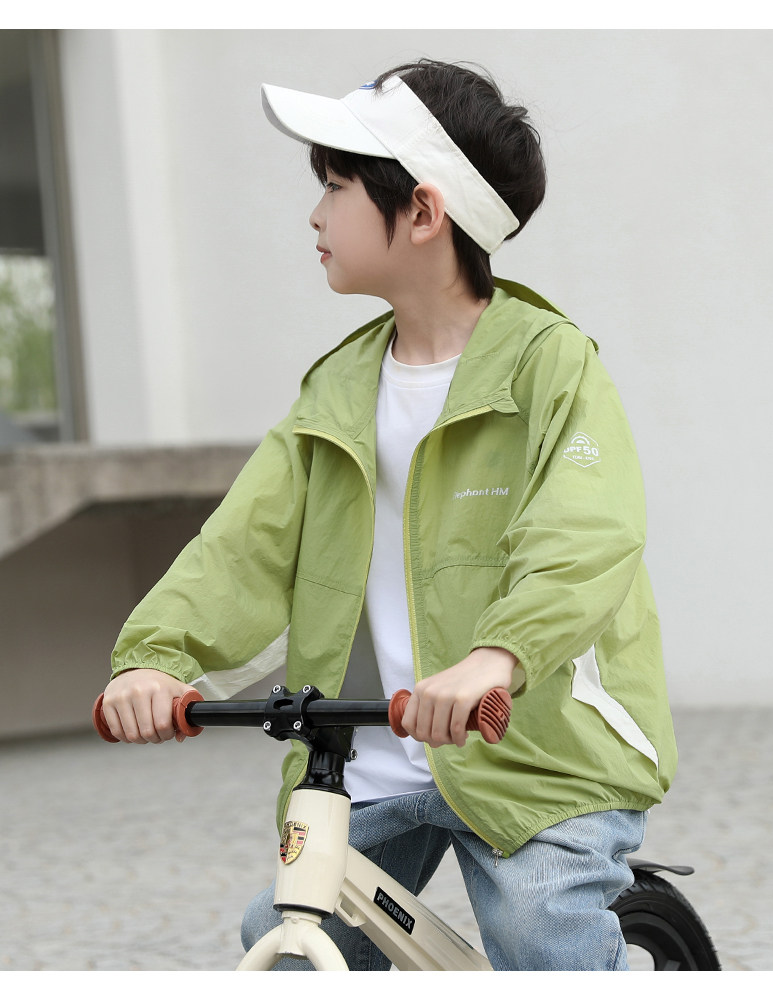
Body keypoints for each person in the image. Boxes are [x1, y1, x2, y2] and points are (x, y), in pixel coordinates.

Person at [101, 58, 677, 970]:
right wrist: (157, 658)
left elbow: (586, 534)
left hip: (532, 750)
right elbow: (243, 546)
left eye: (336, 188)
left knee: (538, 929)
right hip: (374, 756)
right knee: (288, 940)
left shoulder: (550, 364)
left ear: (421, 213)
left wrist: (496, 657)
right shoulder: (338, 386)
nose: (315, 214)